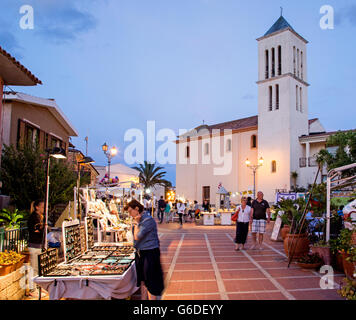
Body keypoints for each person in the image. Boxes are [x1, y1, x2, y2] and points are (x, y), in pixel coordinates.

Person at [125, 199, 164, 300]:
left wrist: (136, 224)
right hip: (141, 253)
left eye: (130, 211)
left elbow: (138, 236)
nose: (130, 214)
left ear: (136, 209)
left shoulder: (147, 220)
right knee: (142, 280)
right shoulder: (139, 220)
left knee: (151, 281)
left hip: (150, 253)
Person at [27, 199, 45, 294]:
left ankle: (37, 288)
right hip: (34, 246)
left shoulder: (40, 217)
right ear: (37, 207)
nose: (44, 209)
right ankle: (32, 289)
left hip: (38, 245)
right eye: (42, 207)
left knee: (38, 268)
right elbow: (36, 231)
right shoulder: (34, 218)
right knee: (33, 268)